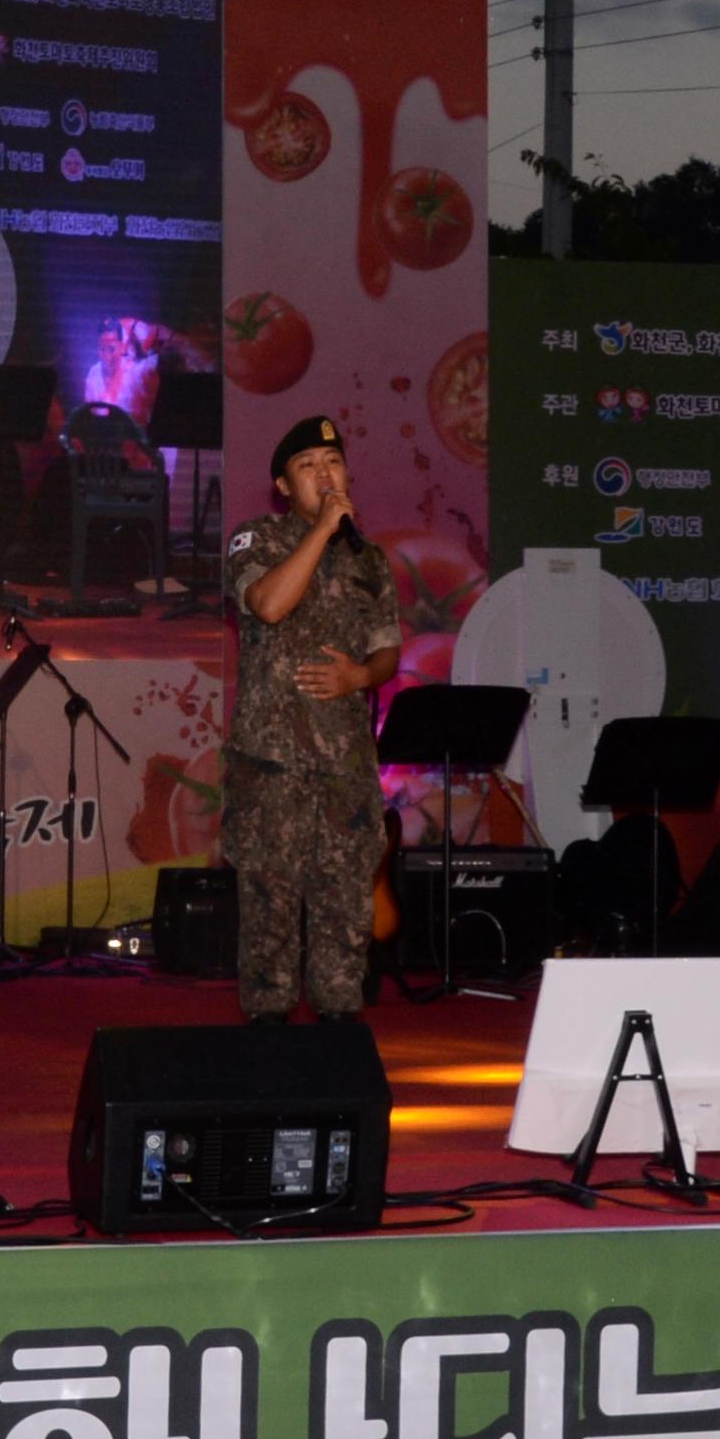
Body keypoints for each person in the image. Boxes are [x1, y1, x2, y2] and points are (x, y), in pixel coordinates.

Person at [223, 415, 401, 1021]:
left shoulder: (371, 561)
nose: (325, 474)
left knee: (345, 917)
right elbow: (269, 606)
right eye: (308, 466)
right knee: (269, 915)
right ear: (282, 485)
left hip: (345, 771)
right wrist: (323, 530)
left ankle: (338, 1042)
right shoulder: (257, 539)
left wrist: (361, 676)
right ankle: (268, 1048)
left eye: (333, 462)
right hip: (272, 769)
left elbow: (387, 651)